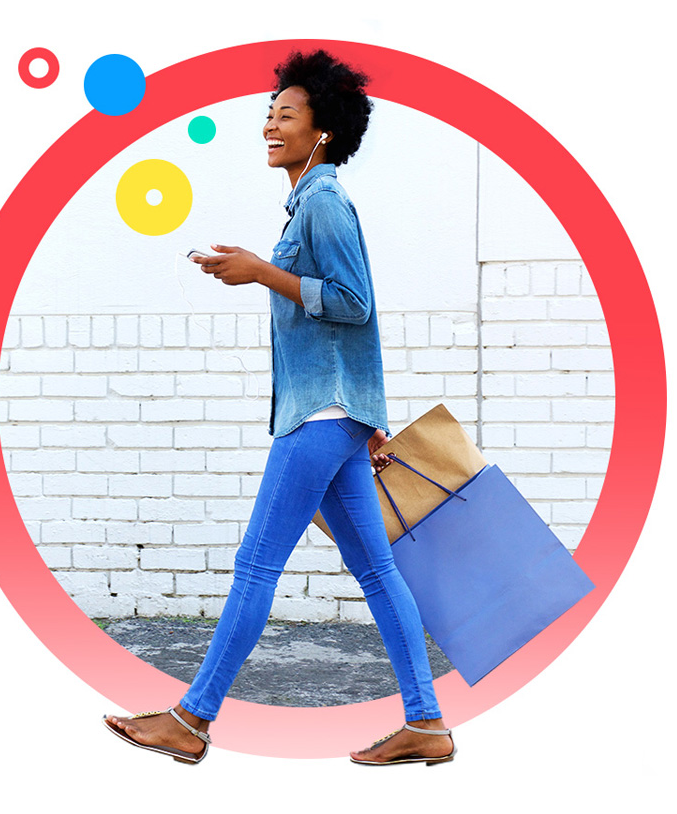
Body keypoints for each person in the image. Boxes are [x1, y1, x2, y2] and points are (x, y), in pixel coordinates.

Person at [104, 49, 454, 767]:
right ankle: (427, 722)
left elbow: (355, 305)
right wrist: (369, 408)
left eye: (285, 114)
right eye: (268, 113)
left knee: (257, 564)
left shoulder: (324, 201)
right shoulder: (309, 202)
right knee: (377, 572)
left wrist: (263, 273)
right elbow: (347, 318)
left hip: (319, 416)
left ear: (321, 131)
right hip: (338, 411)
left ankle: (192, 719)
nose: (269, 124)